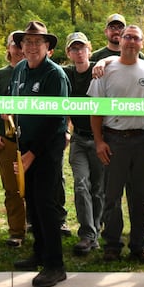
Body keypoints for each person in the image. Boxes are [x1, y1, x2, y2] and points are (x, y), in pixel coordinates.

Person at [88, 24, 144, 263]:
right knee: (112, 196)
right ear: (120, 41)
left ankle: (140, 244)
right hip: (114, 140)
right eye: (127, 37)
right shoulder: (105, 71)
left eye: (136, 38)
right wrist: (99, 141)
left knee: (141, 196)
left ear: (142, 44)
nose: (131, 41)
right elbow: (95, 109)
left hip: (143, 142)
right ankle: (112, 244)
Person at [10, 21, 70, 287]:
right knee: (32, 200)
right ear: (21, 47)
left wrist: (32, 153)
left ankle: (55, 265)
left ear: (48, 47)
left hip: (47, 147)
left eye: (38, 42)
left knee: (46, 203)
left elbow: (55, 118)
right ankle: (39, 253)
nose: (32, 46)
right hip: (25, 144)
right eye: (28, 42)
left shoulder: (54, 75)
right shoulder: (20, 69)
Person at [0, 31, 27, 247]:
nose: (19, 49)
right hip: (8, 142)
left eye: (22, 44)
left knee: (38, 188)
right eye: (14, 44)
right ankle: (16, 232)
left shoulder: (36, 72)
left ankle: (38, 226)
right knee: (13, 189)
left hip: (34, 142)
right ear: (8, 48)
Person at [63, 31, 103, 256]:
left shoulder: (100, 69)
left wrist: (105, 61)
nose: (79, 52)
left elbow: (118, 60)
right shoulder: (66, 73)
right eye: (74, 49)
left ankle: (95, 231)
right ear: (69, 53)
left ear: (89, 49)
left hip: (100, 139)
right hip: (78, 138)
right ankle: (87, 235)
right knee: (81, 184)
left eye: (82, 48)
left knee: (98, 189)